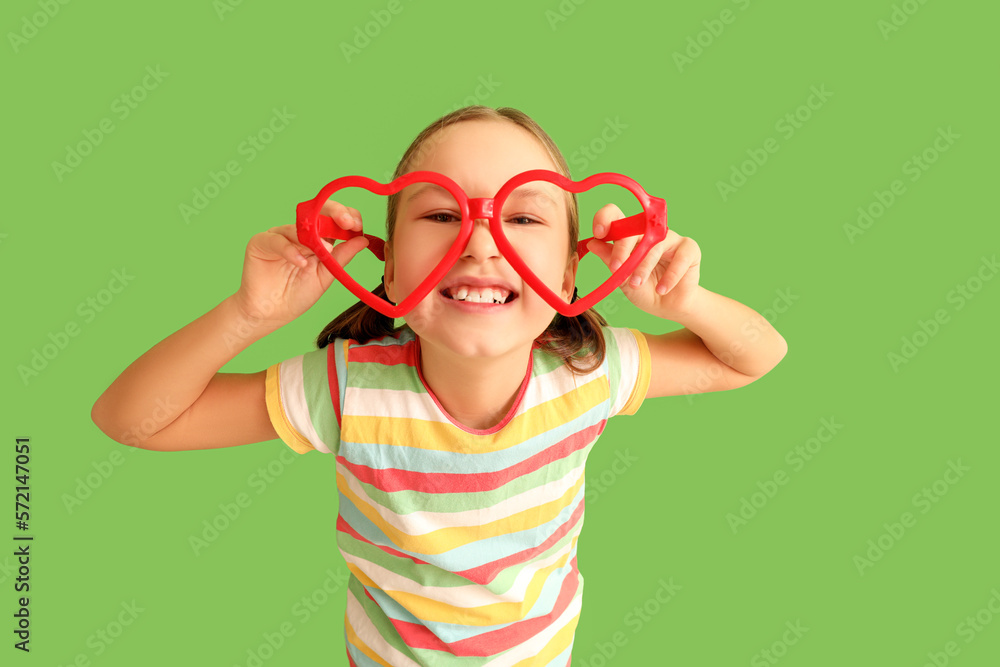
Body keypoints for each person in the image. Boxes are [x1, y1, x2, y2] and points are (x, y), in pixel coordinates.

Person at [91, 105, 787, 665]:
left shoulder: (590, 372)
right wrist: (247, 315)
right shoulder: (348, 391)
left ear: (571, 276)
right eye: (443, 214)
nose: (483, 243)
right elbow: (133, 419)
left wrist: (685, 302)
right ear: (389, 272)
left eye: (523, 216)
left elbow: (753, 356)